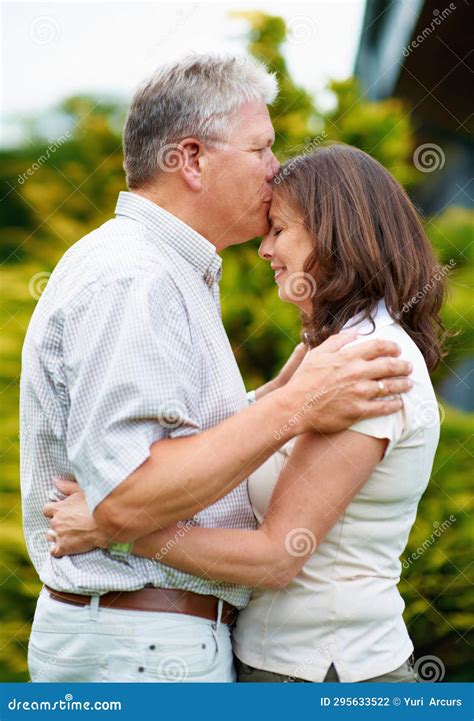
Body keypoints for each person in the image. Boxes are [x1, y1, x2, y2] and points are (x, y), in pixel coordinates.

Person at [21, 55, 412, 684]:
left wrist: (282, 393)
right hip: (142, 647)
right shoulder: (135, 278)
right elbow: (124, 497)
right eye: (261, 147)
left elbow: (169, 443)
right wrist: (294, 406)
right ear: (193, 159)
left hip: (146, 640)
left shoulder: (163, 269)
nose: (275, 168)